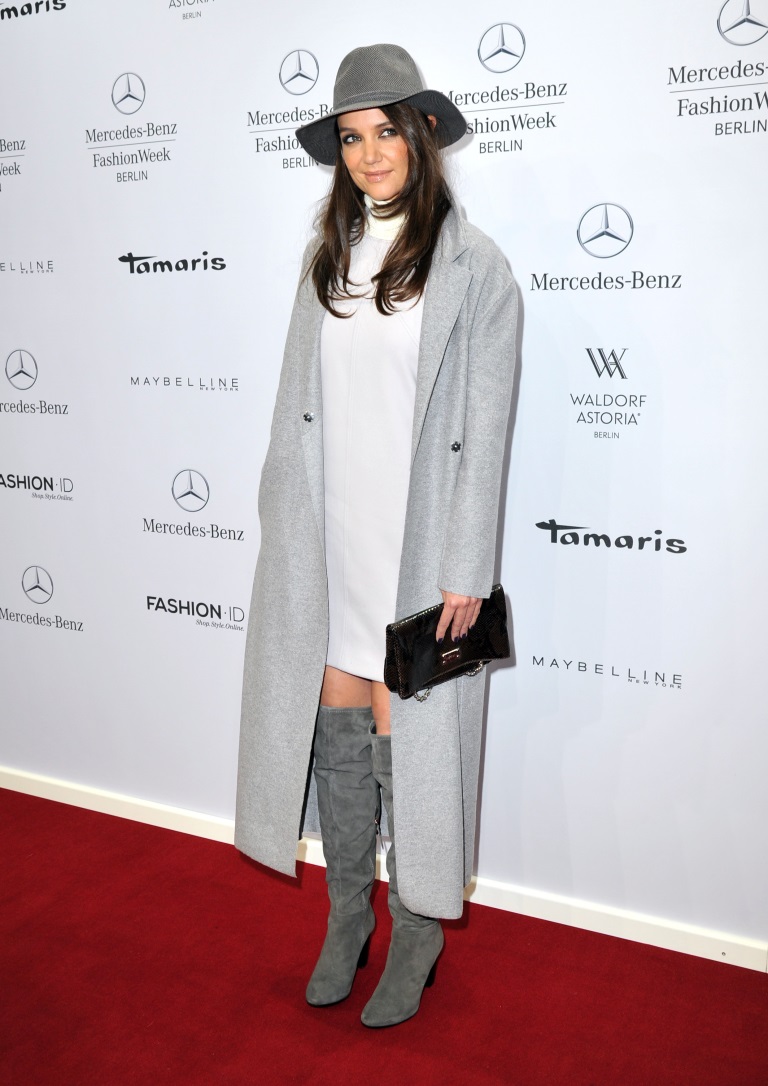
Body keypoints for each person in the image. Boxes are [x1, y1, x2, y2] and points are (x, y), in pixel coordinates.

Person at [235, 43, 518, 1028]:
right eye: (352, 137)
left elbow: (485, 431)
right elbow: (293, 411)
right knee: (340, 740)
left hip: (419, 554)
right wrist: (281, 522)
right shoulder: (327, 260)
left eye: (386, 131)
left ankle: (417, 928)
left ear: (423, 134)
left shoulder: (477, 269)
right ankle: (347, 916)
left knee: (414, 753)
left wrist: (466, 568)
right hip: (331, 544)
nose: (369, 153)